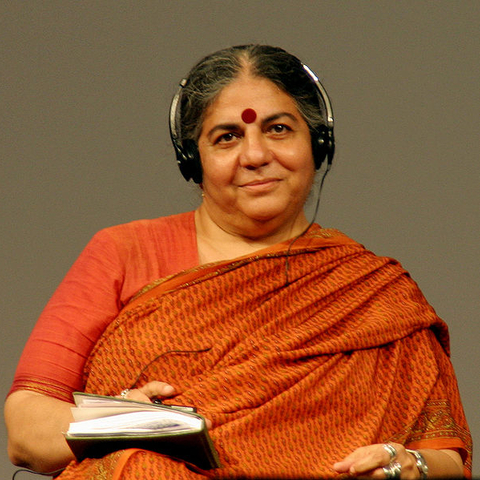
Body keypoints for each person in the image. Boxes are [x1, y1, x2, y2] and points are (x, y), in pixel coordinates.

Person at [5, 44, 472, 479]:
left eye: (278, 129)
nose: (254, 155)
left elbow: (447, 455)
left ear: (318, 144)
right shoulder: (126, 252)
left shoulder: (374, 292)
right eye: (227, 137)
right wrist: (120, 423)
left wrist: (405, 464)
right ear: (194, 160)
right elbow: (25, 431)